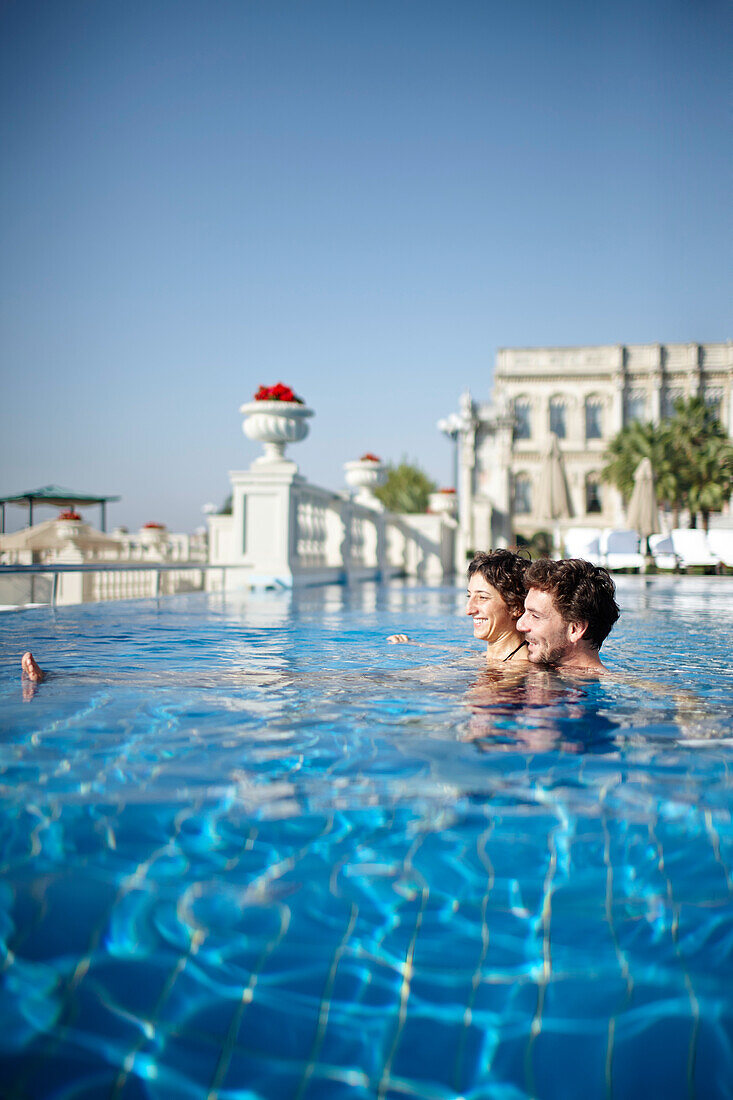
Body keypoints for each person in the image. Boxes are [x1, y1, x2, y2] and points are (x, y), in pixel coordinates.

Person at [389, 549, 530, 664]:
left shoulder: (519, 669)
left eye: (482, 597)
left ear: (516, 608)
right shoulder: (489, 657)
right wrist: (413, 644)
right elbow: (461, 651)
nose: (469, 610)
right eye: (470, 596)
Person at [516, 558, 619, 671]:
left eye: (535, 616)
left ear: (575, 629)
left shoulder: (602, 685)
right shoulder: (547, 672)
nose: (520, 625)